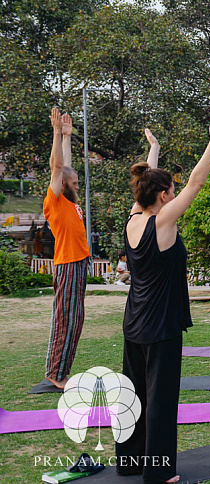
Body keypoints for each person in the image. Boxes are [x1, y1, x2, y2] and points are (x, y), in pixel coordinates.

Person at [118, 114, 210, 484]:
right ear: (165, 196)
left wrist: (153, 150)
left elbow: (146, 187)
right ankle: (158, 472)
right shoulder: (163, 222)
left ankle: (130, 462)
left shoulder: (134, 219)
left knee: (134, 395)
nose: (175, 192)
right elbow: (198, 182)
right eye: (171, 189)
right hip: (161, 325)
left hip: (134, 322)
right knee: (160, 400)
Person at [43, 108, 91, 389]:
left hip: (79, 262)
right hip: (68, 263)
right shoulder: (55, 201)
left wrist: (68, 138)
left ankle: (62, 370)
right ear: (62, 185)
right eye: (71, 184)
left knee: (75, 320)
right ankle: (55, 373)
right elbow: (58, 167)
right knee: (66, 319)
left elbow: (67, 167)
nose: (75, 186)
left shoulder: (70, 202)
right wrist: (56, 133)